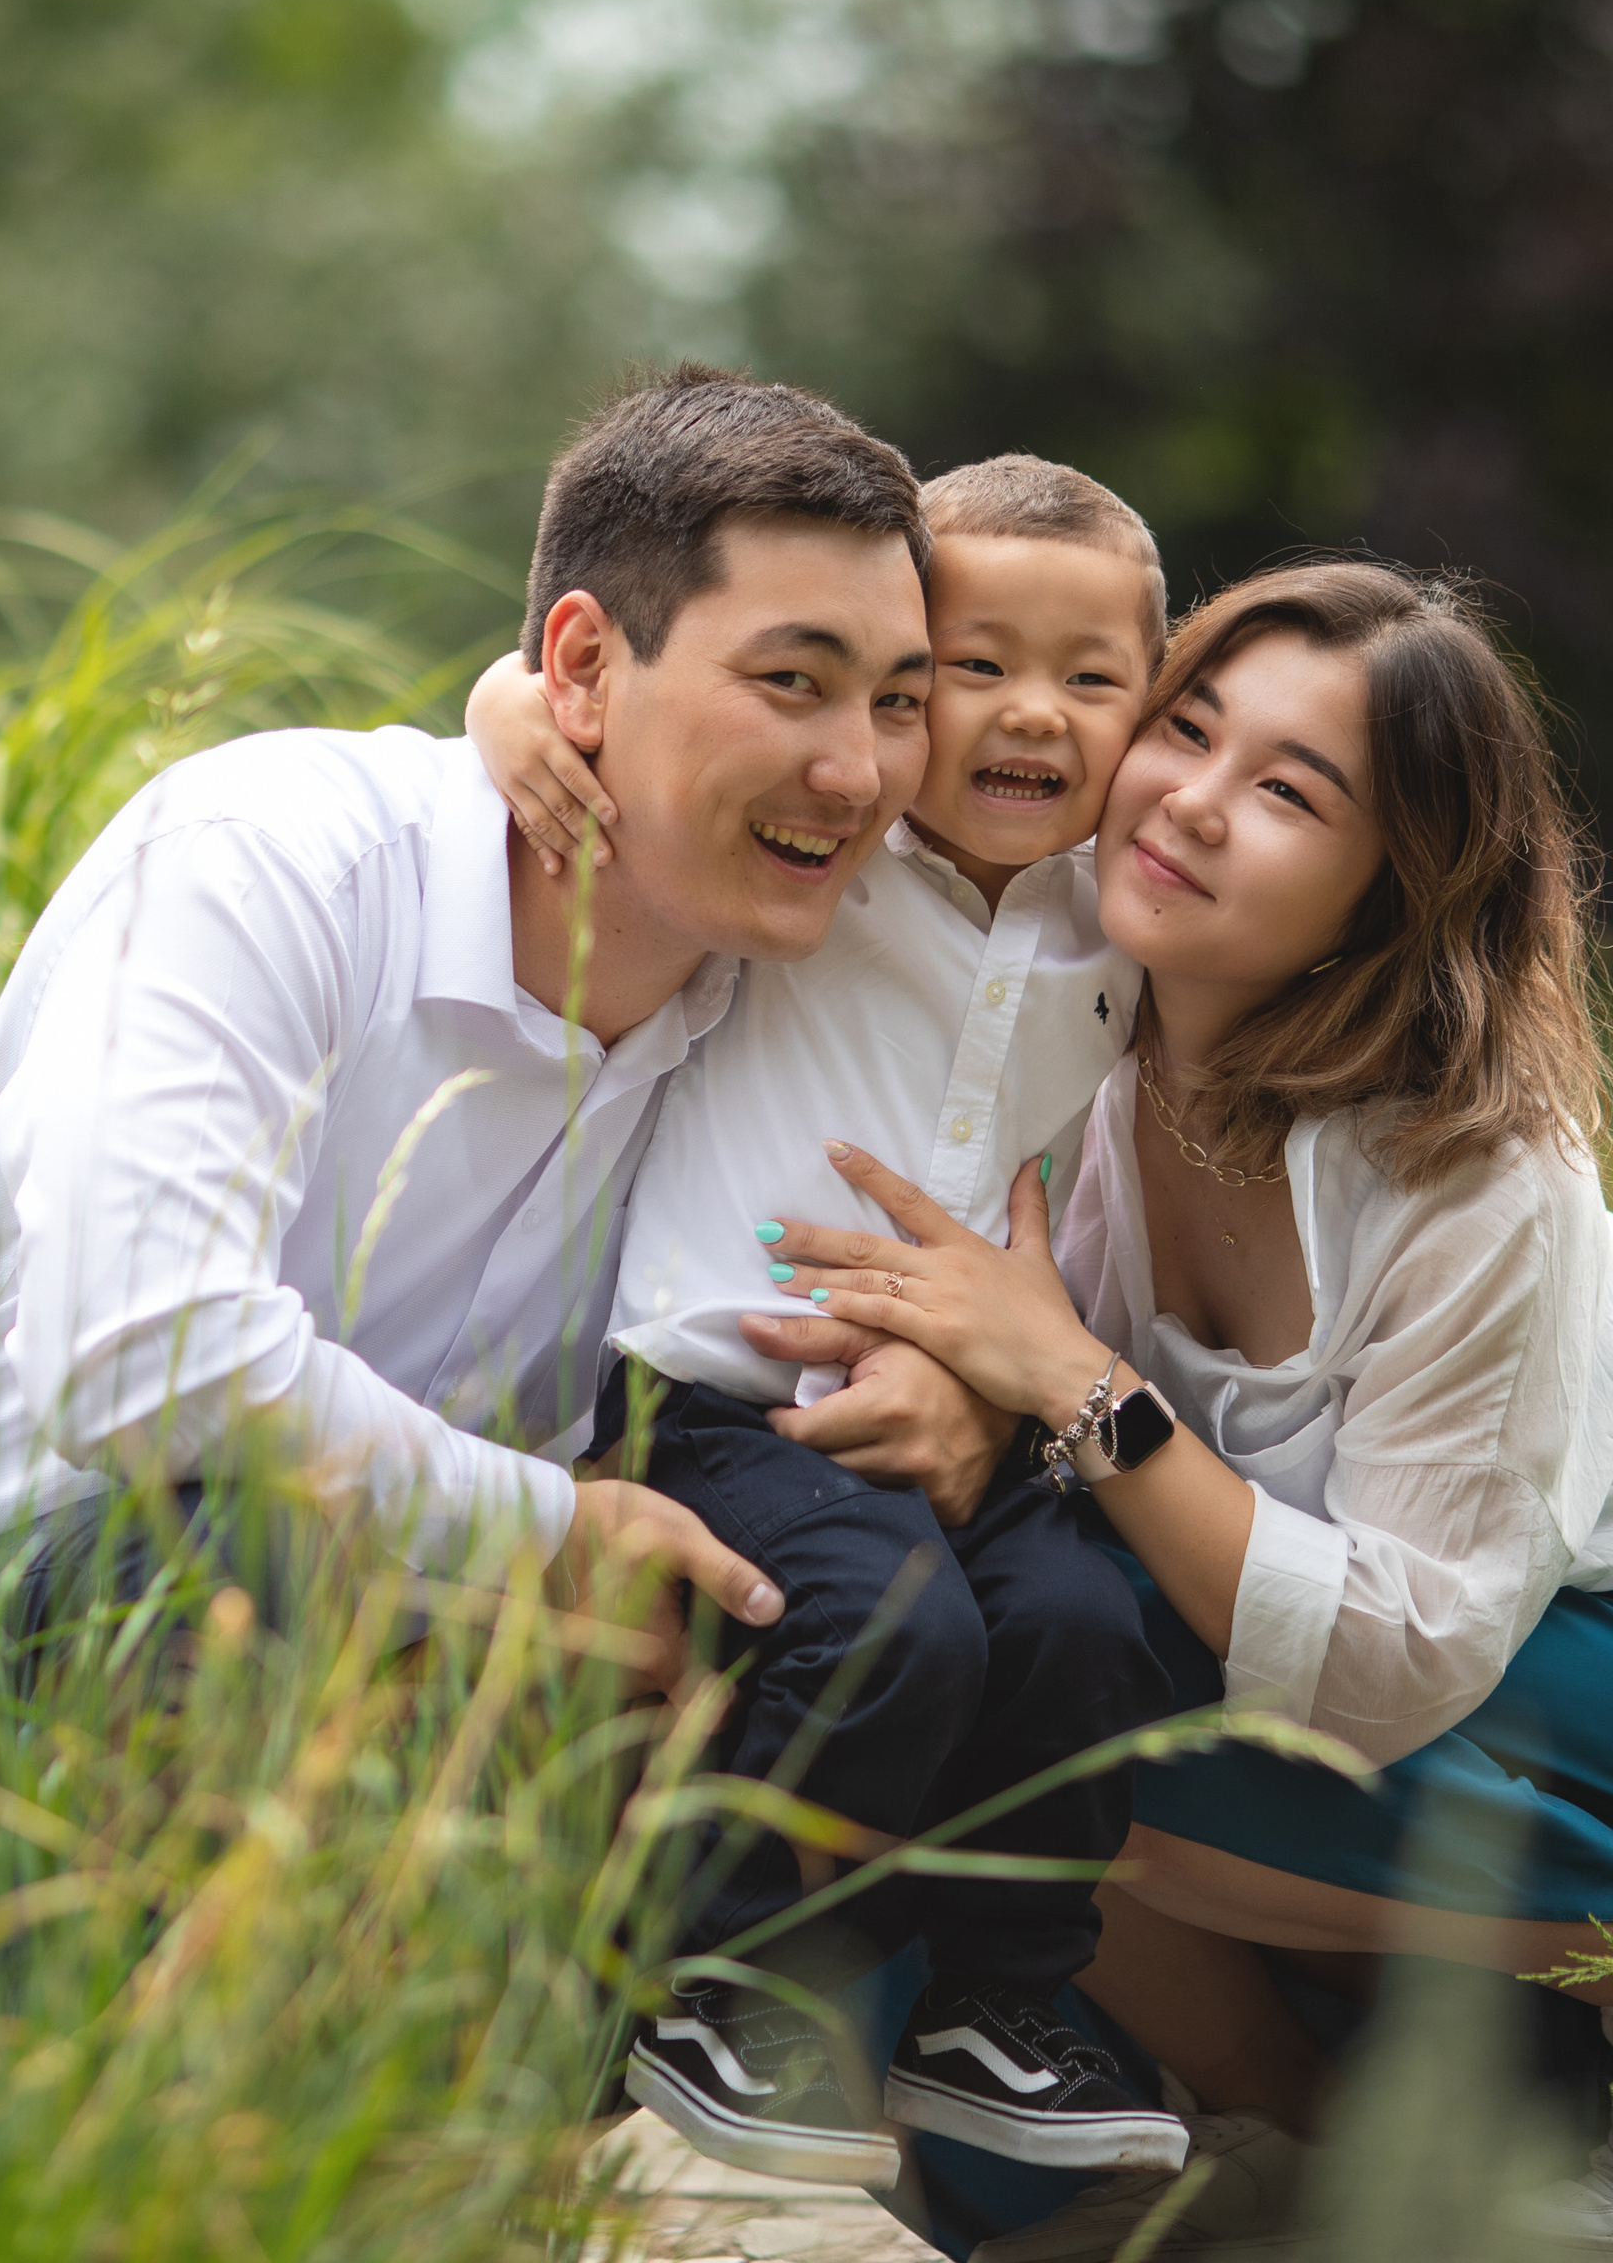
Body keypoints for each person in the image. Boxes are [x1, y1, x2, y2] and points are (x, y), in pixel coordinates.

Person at [0, 365, 937, 1916]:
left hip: (421, 1660)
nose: (859, 771)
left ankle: (657, 2104)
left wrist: (972, 1375)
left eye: (900, 701)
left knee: (863, 1592)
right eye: (793, 681)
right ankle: (118, 2131)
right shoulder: (272, 856)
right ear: (580, 663)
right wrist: (543, 1530)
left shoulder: (788, 983)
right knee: (248, 1552)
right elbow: (144, 1353)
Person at [745, 561, 1613, 2261]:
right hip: (1268, 1706)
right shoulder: (1084, 970)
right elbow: (810, 745)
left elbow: (1404, 1657)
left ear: (1396, 886)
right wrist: (511, 717)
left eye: (1289, 792)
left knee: (1016, 1699)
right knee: (937, 1653)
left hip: (1535, 1701)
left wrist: (1063, 1374)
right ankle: (1283, 2123)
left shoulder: (1478, 1172)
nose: (1194, 807)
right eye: (1187, 729)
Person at [465, 457, 1191, 2188]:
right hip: (718, 1396)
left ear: (1151, 709)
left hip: (981, 1417)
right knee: (891, 1634)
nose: (1031, 717)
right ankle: (698, 1979)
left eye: (1093, 681)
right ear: (895, 691)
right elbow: (596, 708)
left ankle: (1002, 2009)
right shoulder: (825, 849)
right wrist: (505, 703)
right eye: (971, 671)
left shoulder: (1124, 917)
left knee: (1093, 1628)